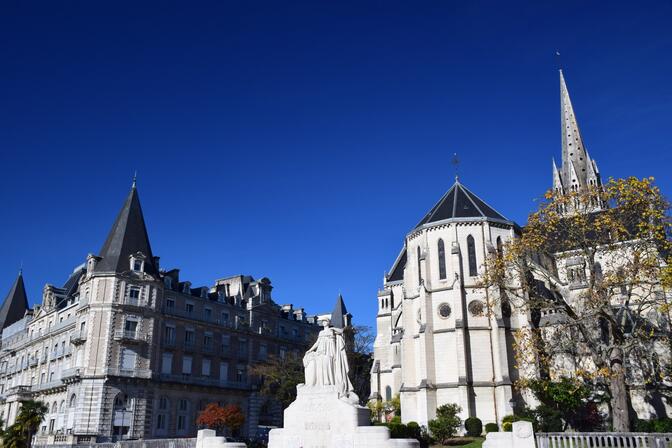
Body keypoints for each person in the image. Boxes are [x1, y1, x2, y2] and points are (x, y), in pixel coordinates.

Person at [303, 319, 354, 398]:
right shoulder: (321, 332)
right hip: (321, 350)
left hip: (330, 349)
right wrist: (310, 350)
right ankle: (321, 383)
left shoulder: (332, 331)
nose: (324, 323)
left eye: (325, 321)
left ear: (329, 322)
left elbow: (341, 331)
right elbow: (317, 343)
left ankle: (330, 381)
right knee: (320, 364)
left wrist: (333, 329)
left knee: (328, 364)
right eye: (323, 322)